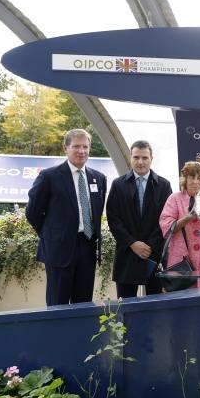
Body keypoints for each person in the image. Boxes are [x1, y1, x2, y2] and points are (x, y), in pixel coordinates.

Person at [26, 129, 107, 306]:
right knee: (57, 304)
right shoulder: (49, 176)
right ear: (65, 148)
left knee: (83, 305)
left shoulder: (98, 178)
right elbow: (32, 212)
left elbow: (97, 212)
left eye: (85, 147)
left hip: (88, 247)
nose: (81, 151)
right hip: (59, 250)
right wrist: (52, 235)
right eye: (76, 146)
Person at [106, 140, 172, 298]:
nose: (140, 162)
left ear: (151, 159)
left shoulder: (163, 185)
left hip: (154, 254)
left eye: (144, 157)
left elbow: (166, 219)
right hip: (127, 254)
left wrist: (149, 246)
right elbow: (113, 218)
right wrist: (132, 243)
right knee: (126, 306)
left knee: (155, 305)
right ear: (131, 158)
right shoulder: (118, 185)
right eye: (136, 157)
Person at [159, 161, 200, 288]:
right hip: (181, 260)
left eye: (199, 178)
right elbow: (166, 226)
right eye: (192, 177)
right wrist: (187, 218)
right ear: (185, 179)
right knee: (182, 297)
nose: (195, 182)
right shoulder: (175, 198)